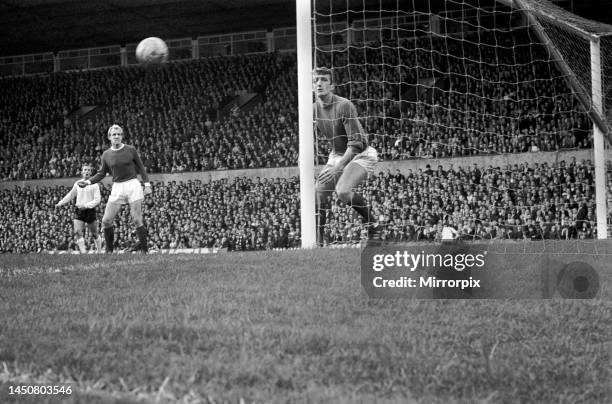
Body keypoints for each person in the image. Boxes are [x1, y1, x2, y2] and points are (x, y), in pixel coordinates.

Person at [312, 67, 380, 244]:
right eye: (316, 80)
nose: (319, 83)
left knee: (342, 191)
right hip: (337, 155)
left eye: (324, 79)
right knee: (317, 193)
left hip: (361, 154)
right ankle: (318, 242)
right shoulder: (312, 109)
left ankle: (373, 224)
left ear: (332, 85)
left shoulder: (344, 105)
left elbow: (357, 143)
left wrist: (338, 167)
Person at [78, 124, 151, 253]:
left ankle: (145, 251)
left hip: (132, 184)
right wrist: (88, 182)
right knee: (106, 220)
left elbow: (140, 167)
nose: (116, 136)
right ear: (109, 137)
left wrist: (147, 185)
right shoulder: (106, 154)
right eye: (113, 134)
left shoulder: (130, 149)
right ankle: (109, 252)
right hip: (117, 186)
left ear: (122, 136)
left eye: (118, 134)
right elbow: (101, 173)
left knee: (136, 218)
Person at [55, 162, 103, 253]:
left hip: (90, 210)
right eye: (85, 170)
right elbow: (71, 195)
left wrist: (86, 206)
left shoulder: (95, 184)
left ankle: (99, 251)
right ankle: (83, 252)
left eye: (89, 170)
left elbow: (97, 200)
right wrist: (60, 203)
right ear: (82, 172)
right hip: (79, 210)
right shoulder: (77, 183)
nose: (87, 171)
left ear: (91, 172)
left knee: (94, 233)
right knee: (77, 232)